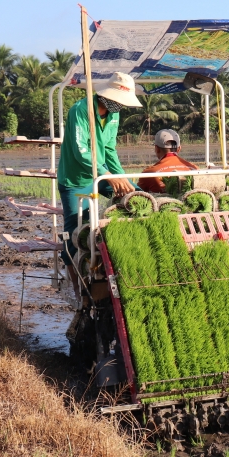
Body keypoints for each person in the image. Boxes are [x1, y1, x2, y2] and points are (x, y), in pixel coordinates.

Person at [57, 71, 142, 298]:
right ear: (107, 97)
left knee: (137, 198)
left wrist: (122, 179)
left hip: (103, 174)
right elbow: (81, 152)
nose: (121, 107)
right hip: (76, 180)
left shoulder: (113, 115)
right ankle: (79, 293)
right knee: (75, 234)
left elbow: (110, 149)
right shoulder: (81, 110)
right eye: (119, 102)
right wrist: (109, 175)